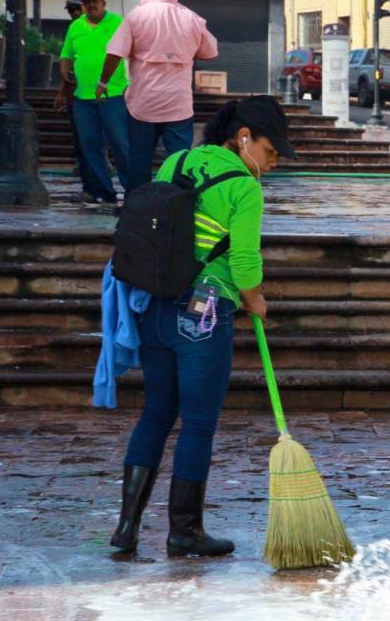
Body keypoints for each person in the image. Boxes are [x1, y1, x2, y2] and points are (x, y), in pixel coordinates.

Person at [108, 96, 295, 557]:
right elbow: (246, 260)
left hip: (153, 304)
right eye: (270, 152)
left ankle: (126, 529)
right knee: (197, 425)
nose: (271, 164)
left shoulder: (177, 158)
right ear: (245, 138)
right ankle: (184, 530)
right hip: (205, 314)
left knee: (155, 414)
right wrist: (256, 300)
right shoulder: (244, 187)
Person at [98, 0, 218, 190]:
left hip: (143, 104)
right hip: (178, 105)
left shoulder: (136, 17)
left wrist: (103, 83)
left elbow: (115, 53)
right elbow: (210, 52)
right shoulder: (192, 18)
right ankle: (179, 208)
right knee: (181, 162)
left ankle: (137, 209)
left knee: (139, 163)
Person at [58, 0, 133, 205]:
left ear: (103, 1)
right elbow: (66, 54)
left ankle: (132, 191)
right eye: (87, 1)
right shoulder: (75, 26)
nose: (91, 5)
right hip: (82, 97)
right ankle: (105, 192)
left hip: (114, 95)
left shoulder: (118, 22)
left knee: (121, 145)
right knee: (90, 147)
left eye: (95, 0)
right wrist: (63, 70)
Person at [54, 0, 105, 203]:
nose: (75, 13)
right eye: (72, 10)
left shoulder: (104, 26)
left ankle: (102, 187)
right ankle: (90, 188)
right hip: (77, 96)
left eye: (77, 8)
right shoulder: (74, 30)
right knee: (83, 145)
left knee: (99, 144)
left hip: (103, 94)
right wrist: (61, 91)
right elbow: (68, 62)